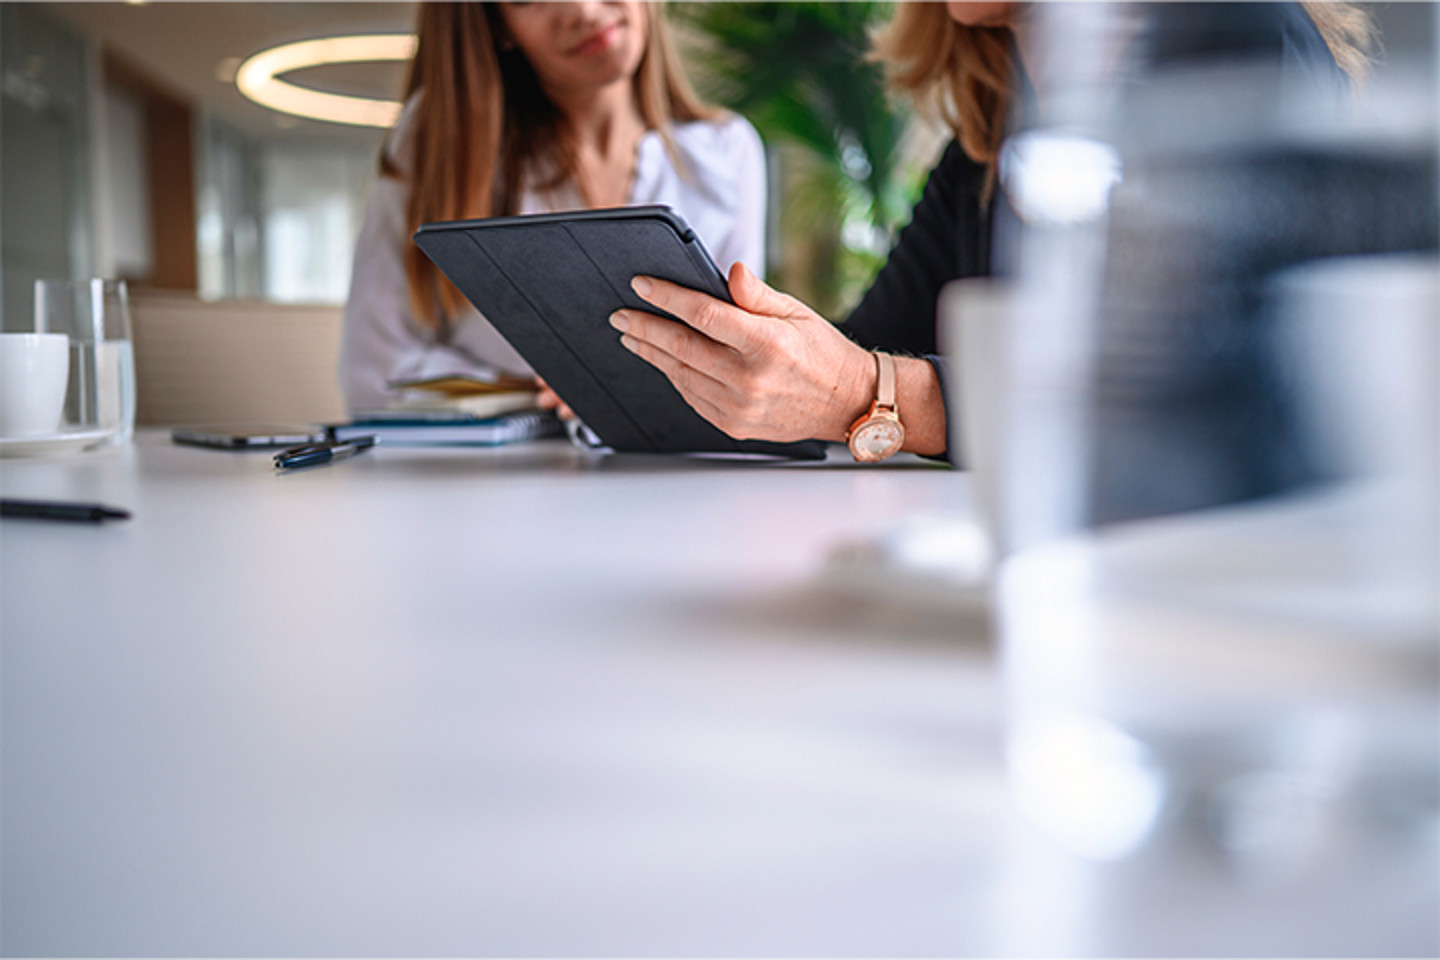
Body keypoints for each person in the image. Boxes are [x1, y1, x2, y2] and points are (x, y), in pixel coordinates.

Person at [598, 2, 1374, 464]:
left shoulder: (1242, 37)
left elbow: (1210, 389)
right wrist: (718, 366)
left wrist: (871, 395)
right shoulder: (985, 148)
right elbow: (868, 342)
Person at [340, 1, 767, 413]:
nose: (581, 9)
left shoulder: (727, 151)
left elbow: (739, 365)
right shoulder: (440, 142)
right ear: (498, 25)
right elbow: (372, 369)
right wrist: (545, 395)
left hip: (682, 472)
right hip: (494, 474)